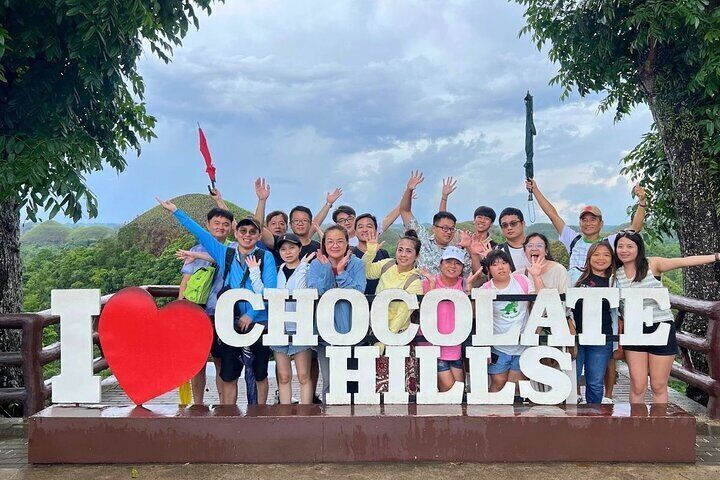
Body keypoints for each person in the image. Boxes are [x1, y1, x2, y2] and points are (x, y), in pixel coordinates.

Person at [156, 197, 278, 405]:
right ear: (236, 233)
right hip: (229, 321)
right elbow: (200, 234)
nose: (247, 235)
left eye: (252, 232)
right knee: (229, 373)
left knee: (260, 373)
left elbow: (271, 292)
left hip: (257, 323)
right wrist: (177, 211)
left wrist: (252, 314)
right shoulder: (225, 253)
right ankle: (228, 414)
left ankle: (260, 414)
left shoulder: (265, 258)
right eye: (243, 231)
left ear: (258, 235)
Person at [614, 231, 719, 403]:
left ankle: (658, 427)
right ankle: (636, 426)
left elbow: (683, 262)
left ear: (638, 248)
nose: (624, 250)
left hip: (660, 328)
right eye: (620, 246)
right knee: (638, 384)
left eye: (629, 246)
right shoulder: (615, 274)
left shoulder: (652, 264)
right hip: (634, 331)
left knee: (658, 384)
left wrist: (715, 256)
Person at [525, 179, 647, 283]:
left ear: (601, 223)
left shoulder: (609, 242)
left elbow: (635, 228)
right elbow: (552, 215)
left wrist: (642, 202)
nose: (588, 223)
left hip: (600, 292)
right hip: (574, 294)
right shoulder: (573, 239)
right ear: (580, 223)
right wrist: (535, 189)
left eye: (593, 219)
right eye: (584, 220)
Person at [175, 206, 234, 405]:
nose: (220, 227)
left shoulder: (233, 248)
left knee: (221, 361)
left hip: (222, 312)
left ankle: (223, 403)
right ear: (207, 225)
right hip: (196, 312)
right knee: (196, 362)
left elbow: (224, 258)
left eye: (225, 224)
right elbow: (185, 281)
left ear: (231, 228)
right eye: (216, 223)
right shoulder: (195, 250)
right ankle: (198, 403)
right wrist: (181, 308)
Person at [307, 224, 367, 402]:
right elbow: (317, 292)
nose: (335, 245)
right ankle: (330, 422)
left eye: (340, 241)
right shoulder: (317, 263)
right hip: (326, 332)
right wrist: (327, 270)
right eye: (330, 241)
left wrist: (341, 272)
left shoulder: (357, 263)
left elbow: (358, 292)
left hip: (353, 330)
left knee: (354, 380)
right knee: (330, 381)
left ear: (348, 243)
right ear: (324, 244)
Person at [421, 246, 484, 392]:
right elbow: (422, 313)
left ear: (462, 267)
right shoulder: (428, 282)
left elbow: (472, 315)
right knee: (449, 389)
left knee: (459, 390)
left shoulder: (463, 284)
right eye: (448, 261)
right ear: (441, 264)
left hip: (454, 346)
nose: (452, 266)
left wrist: (468, 289)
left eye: (457, 263)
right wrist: (431, 288)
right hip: (432, 345)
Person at [482, 249, 544, 396]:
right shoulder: (486, 289)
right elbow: (480, 319)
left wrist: (536, 276)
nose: (501, 267)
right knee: (497, 385)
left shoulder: (522, 281)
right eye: (495, 264)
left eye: (504, 263)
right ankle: (493, 416)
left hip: (521, 346)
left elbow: (541, 300)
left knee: (516, 387)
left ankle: (512, 418)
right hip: (498, 346)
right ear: (489, 269)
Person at [398, 170, 472, 276]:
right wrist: (409, 190)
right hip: (421, 291)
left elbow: (467, 278)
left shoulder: (458, 253)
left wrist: (470, 249)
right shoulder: (423, 241)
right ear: (434, 228)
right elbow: (405, 211)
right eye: (445, 228)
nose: (448, 232)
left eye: (452, 229)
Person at [571, 241, 617, 404]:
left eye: (606, 255)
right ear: (589, 257)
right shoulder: (576, 275)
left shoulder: (615, 281)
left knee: (595, 382)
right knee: (571, 379)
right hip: (576, 337)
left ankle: (594, 419)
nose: (601, 258)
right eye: (596, 254)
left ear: (612, 258)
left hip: (601, 337)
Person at [272, 233, 316, 404]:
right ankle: (285, 413)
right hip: (279, 328)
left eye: (292, 248)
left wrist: (303, 267)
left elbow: (300, 292)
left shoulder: (308, 269)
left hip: (301, 328)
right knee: (283, 376)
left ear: (299, 249)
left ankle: (305, 414)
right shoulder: (277, 271)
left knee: (304, 375)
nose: (288, 252)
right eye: (283, 249)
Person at [352, 213, 391, 295]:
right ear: (355, 232)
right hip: (357, 302)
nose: (365, 230)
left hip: (379, 302)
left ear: (376, 230)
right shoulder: (350, 253)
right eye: (360, 227)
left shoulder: (383, 254)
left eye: (369, 226)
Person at [496, 207, 530, 273]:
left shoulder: (537, 246)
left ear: (523, 224)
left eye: (513, 223)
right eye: (504, 225)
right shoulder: (498, 251)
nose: (509, 228)